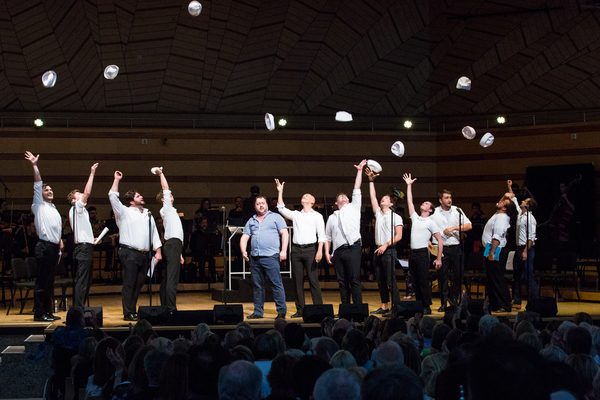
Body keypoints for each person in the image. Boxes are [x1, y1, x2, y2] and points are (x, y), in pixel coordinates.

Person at [109, 171, 162, 321]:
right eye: (138, 196)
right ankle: (128, 312)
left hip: (144, 254)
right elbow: (113, 197)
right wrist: (116, 180)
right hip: (129, 252)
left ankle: (133, 309)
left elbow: (154, 233)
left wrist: (158, 250)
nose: (142, 197)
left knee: (139, 284)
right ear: (132, 201)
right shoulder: (124, 212)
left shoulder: (147, 213)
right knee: (129, 283)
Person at [275, 178, 325, 318]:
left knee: (313, 280)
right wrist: (280, 192)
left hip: (310, 250)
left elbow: (322, 235)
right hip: (296, 250)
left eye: (307, 196)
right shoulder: (296, 214)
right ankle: (300, 310)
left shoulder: (317, 216)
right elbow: (281, 208)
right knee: (297, 281)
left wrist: (319, 250)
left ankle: (318, 308)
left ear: (312, 202)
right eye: (304, 195)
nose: (304, 196)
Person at [25, 151, 64, 322]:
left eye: (51, 189)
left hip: (54, 247)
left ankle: (47, 311)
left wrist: (60, 240)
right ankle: (39, 312)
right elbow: (37, 182)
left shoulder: (53, 207)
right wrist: (34, 165)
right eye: (46, 190)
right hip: (45, 247)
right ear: (40, 194)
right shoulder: (38, 204)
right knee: (42, 282)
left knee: (50, 282)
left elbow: (54, 227)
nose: (49, 191)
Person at [324, 160, 367, 305]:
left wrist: (359, 171)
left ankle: (358, 309)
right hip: (338, 251)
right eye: (340, 197)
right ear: (336, 203)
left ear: (349, 200)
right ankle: (345, 309)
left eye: (345, 196)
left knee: (354, 280)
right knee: (342, 282)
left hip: (353, 247)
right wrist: (326, 252)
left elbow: (357, 187)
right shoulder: (332, 217)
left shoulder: (354, 207)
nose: (343, 197)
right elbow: (327, 236)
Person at [240, 196, 289, 319]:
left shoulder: (276, 217)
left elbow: (284, 233)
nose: (261, 205)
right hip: (255, 257)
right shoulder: (251, 220)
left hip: (271, 256)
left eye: (263, 203)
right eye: (258, 204)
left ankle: (281, 311)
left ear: (267, 204)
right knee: (257, 285)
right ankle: (258, 311)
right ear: (255, 206)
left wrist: (283, 250)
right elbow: (245, 236)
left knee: (276, 284)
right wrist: (243, 250)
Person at [403, 173, 442, 315]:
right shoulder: (416, 218)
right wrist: (409, 186)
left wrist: (438, 258)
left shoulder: (430, 222)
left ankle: (427, 305)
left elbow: (440, 239)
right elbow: (409, 202)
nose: (423, 204)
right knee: (415, 280)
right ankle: (419, 304)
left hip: (422, 253)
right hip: (413, 253)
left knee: (423, 280)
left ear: (430, 210)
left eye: (426, 203)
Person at [366, 168, 403, 317]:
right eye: (383, 198)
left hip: (388, 250)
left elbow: (399, 236)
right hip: (378, 250)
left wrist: (385, 245)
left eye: (386, 199)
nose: (383, 199)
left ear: (392, 203)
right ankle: (384, 306)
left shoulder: (395, 217)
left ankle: (397, 307)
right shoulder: (379, 215)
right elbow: (372, 196)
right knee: (380, 281)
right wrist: (371, 181)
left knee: (390, 281)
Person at [431, 190, 472, 311]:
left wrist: (454, 228)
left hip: (455, 246)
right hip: (441, 248)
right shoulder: (435, 212)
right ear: (440, 200)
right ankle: (444, 302)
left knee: (458, 274)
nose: (449, 200)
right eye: (446, 198)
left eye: (450, 197)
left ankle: (454, 300)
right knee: (442, 276)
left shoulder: (457, 210)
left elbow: (469, 225)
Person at [67, 163, 99, 309]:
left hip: (86, 245)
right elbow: (87, 192)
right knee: (83, 280)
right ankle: (78, 309)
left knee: (87, 280)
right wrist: (92, 173)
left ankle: (80, 308)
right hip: (83, 248)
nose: (82, 197)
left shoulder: (81, 212)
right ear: (74, 200)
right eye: (78, 196)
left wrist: (90, 239)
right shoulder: (77, 207)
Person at [154, 167, 184, 311]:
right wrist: (161, 173)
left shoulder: (171, 211)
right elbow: (165, 188)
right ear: (163, 199)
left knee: (168, 278)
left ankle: (166, 306)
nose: (171, 195)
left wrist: (180, 253)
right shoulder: (166, 209)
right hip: (172, 245)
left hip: (174, 246)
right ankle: (171, 308)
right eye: (168, 195)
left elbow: (176, 232)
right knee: (172, 279)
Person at [482, 190, 517, 313]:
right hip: (490, 249)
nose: (500, 202)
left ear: (505, 208)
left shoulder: (502, 218)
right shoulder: (498, 214)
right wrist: (505, 196)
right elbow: (499, 203)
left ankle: (504, 304)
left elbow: (497, 236)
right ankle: (495, 304)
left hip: (496, 249)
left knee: (497, 277)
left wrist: (492, 253)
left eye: (503, 202)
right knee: (491, 278)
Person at [508, 180, 539, 310]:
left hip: (526, 249)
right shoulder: (521, 215)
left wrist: (526, 251)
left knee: (528, 276)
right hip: (518, 249)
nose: (522, 201)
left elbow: (531, 237)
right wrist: (509, 186)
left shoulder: (530, 219)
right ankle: (517, 301)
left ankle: (535, 302)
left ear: (527, 205)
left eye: (525, 201)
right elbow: (513, 199)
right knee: (516, 276)